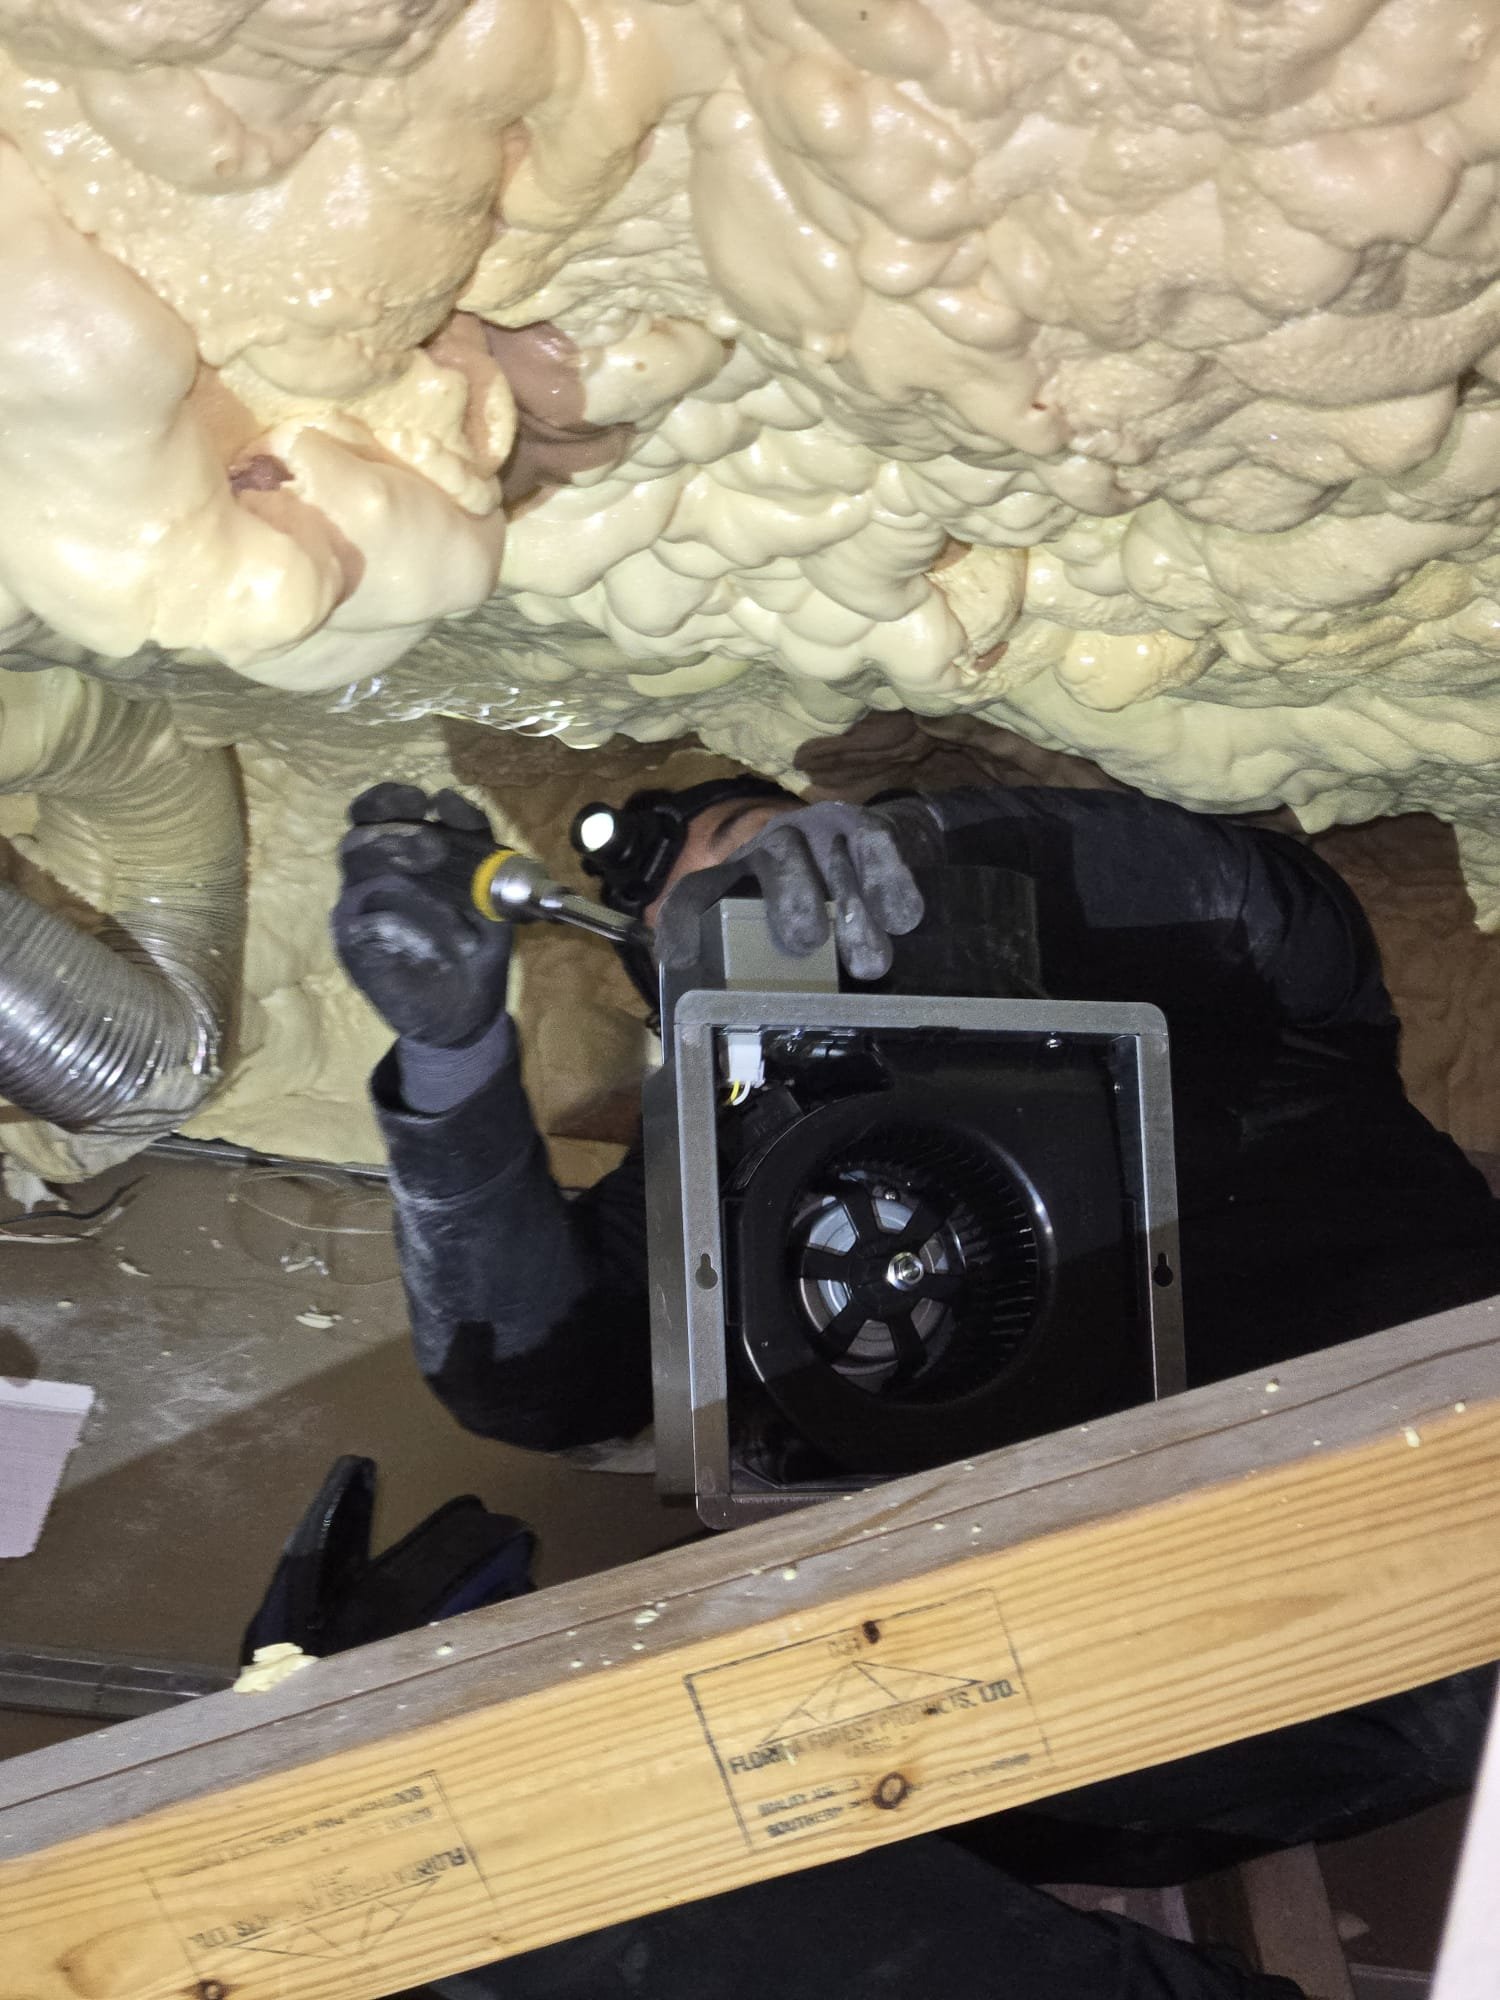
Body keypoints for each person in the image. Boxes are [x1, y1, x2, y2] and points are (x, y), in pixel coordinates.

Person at [332, 774, 1498, 1990]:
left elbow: (1254, 899)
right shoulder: (738, 1165)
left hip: (1456, 1475)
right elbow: (538, 1376)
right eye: (686, 935)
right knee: (627, 1796)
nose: (731, 914)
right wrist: (451, 1069)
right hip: (1169, 1677)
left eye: (750, 861)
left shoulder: (1216, 995)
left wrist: (925, 845)